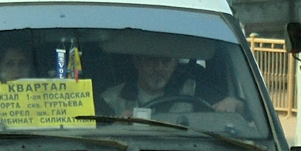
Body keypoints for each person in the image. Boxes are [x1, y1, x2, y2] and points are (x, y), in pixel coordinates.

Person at [100, 53, 241, 117]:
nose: (159, 67)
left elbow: (243, 111)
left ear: (175, 64)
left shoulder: (193, 90)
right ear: (136, 61)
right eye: (152, 60)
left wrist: (235, 103)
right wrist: (116, 126)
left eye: (166, 61)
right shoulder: (110, 99)